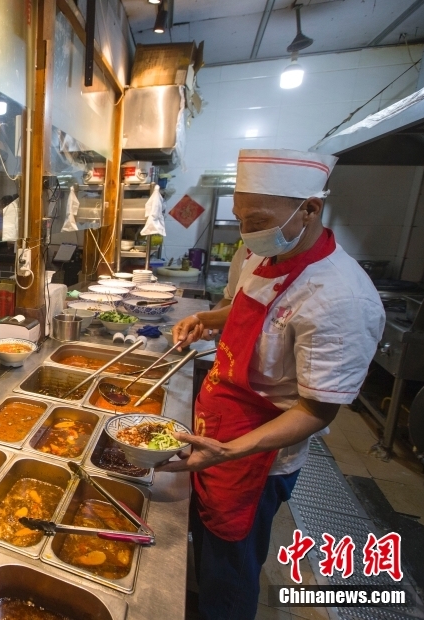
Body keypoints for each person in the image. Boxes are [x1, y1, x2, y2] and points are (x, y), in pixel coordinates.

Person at [163, 149, 385, 620]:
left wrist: (230, 450)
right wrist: (205, 317)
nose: (247, 232)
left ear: (309, 208)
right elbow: (247, 311)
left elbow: (317, 410)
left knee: (231, 572)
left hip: (257, 459)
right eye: (241, 218)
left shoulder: (339, 297)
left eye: (258, 219)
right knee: (207, 548)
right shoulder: (264, 255)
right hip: (215, 431)